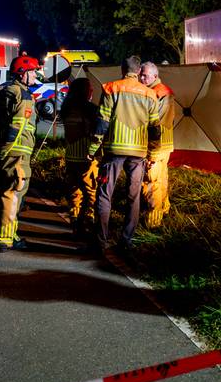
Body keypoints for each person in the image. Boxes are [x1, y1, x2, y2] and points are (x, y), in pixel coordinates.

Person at [87, 55, 161, 254]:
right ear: (138, 72)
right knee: (133, 196)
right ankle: (126, 239)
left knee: (104, 194)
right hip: (138, 154)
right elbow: (155, 128)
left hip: (113, 152)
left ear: (122, 70)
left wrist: (92, 150)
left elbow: (102, 123)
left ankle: (101, 241)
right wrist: (152, 152)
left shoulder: (111, 88)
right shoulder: (150, 95)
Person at [0, 55, 41, 251]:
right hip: (17, 151)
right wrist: (8, 149)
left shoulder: (3, 89)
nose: (35, 76)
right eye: (32, 72)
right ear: (23, 74)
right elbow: (18, 125)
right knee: (13, 193)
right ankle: (6, 238)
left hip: (1, 149)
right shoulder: (23, 95)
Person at [59, 77, 100, 235]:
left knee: (74, 190)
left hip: (71, 156)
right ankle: (89, 220)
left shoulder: (66, 108)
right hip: (87, 157)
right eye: (89, 88)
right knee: (91, 191)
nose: (91, 91)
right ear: (85, 91)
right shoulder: (90, 109)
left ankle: (75, 219)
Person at [138, 61, 174, 228]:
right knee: (161, 179)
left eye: (145, 75)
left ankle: (153, 222)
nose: (142, 78)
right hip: (163, 145)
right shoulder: (161, 91)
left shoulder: (156, 93)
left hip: (156, 146)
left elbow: (154, 125)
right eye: (141, 75)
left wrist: (151, 151)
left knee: (152, 182)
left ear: (155, 76)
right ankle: (164, 210)